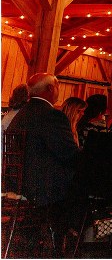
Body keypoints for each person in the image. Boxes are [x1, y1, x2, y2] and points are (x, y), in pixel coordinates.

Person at [7, 73, 79, 242]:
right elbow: (69, 155)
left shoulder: (20, 114)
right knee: (83, 185)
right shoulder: (52, 115)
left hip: (20, 185)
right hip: (45, 191)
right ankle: (72, 241)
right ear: (50, 88)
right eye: (58, 85)